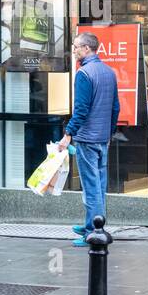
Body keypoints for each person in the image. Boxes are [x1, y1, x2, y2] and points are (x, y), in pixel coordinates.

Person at [58, 32, 119, 246]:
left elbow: (81, 110)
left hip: (86, 139)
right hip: (102, 138)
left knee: (91, 187)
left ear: (86, 49)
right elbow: (115, 108)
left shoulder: (84, 74)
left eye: (75, 47)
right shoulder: (109, 72)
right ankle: (90, 224)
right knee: (99, 185)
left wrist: (68, 134)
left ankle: (93, 232)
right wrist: (109, 133)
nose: (73, 50)